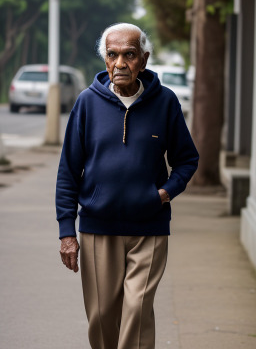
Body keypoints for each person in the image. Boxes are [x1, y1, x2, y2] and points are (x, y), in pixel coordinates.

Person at [56, 23, 199, 349]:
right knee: (102, 316)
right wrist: (67, 231)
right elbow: (68, 172)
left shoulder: (165, 102)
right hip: (97, 229)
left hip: (149, 228)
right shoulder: (86, 103)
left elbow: (187, 159)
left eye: (129, 55)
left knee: (136, 309)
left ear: (144, 59)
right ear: (105, 60)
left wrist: (162, 194)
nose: (120, 63)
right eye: (113, 54)